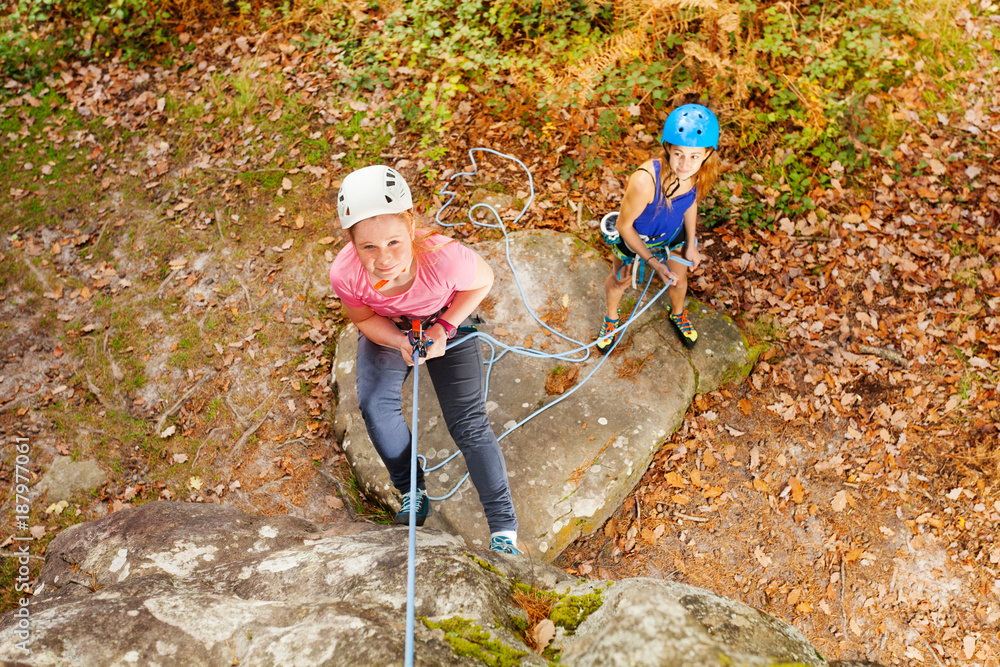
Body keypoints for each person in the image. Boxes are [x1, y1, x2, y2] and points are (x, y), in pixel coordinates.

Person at [329, 165, 521, 555]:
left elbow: (482, 280)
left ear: (411, 226)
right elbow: (364, 318)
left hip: (445, 321)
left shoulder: (444, 258)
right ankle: (410, 488)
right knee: (375, 406)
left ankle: (503, 527)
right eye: (368, 247)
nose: (384, 259)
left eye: (394, 242)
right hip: (390, 329)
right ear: (351, 242)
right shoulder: (345, 274)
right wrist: (399, 340)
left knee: (467, 421)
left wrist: (444, 328)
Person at [596, 103, 722, 352]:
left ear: (707, 154)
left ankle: (677, 313)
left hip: (672, 236)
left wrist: (690, 243)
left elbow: (690, 204)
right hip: (636, 238)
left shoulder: (697, 172)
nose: (685, 164)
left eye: (694, 156)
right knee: (620, 281)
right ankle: (611, 319)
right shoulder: (645, 180)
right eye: (679, 154)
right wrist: (653, 261)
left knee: (678, 280)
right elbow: (624, 225)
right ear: (667, 148)